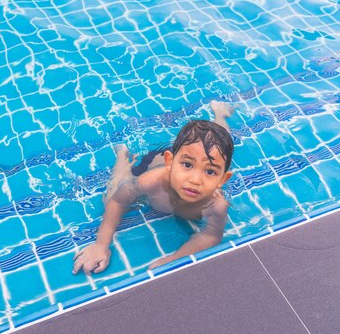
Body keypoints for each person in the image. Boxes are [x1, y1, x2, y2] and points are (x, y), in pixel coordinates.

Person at [72, 101, 235, 275]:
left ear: (222, 180)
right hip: (152, 163)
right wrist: (101, 244)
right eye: (187, 165)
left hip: (181, 156)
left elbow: (211, 235)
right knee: (112, 195)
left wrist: (175, 258)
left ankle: (220, 115)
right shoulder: (151, 181)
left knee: (216, 143)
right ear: (170, 163)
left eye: (210, 172)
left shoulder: (217, 205)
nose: (196, 180)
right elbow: (117, 202)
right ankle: (123, 158)